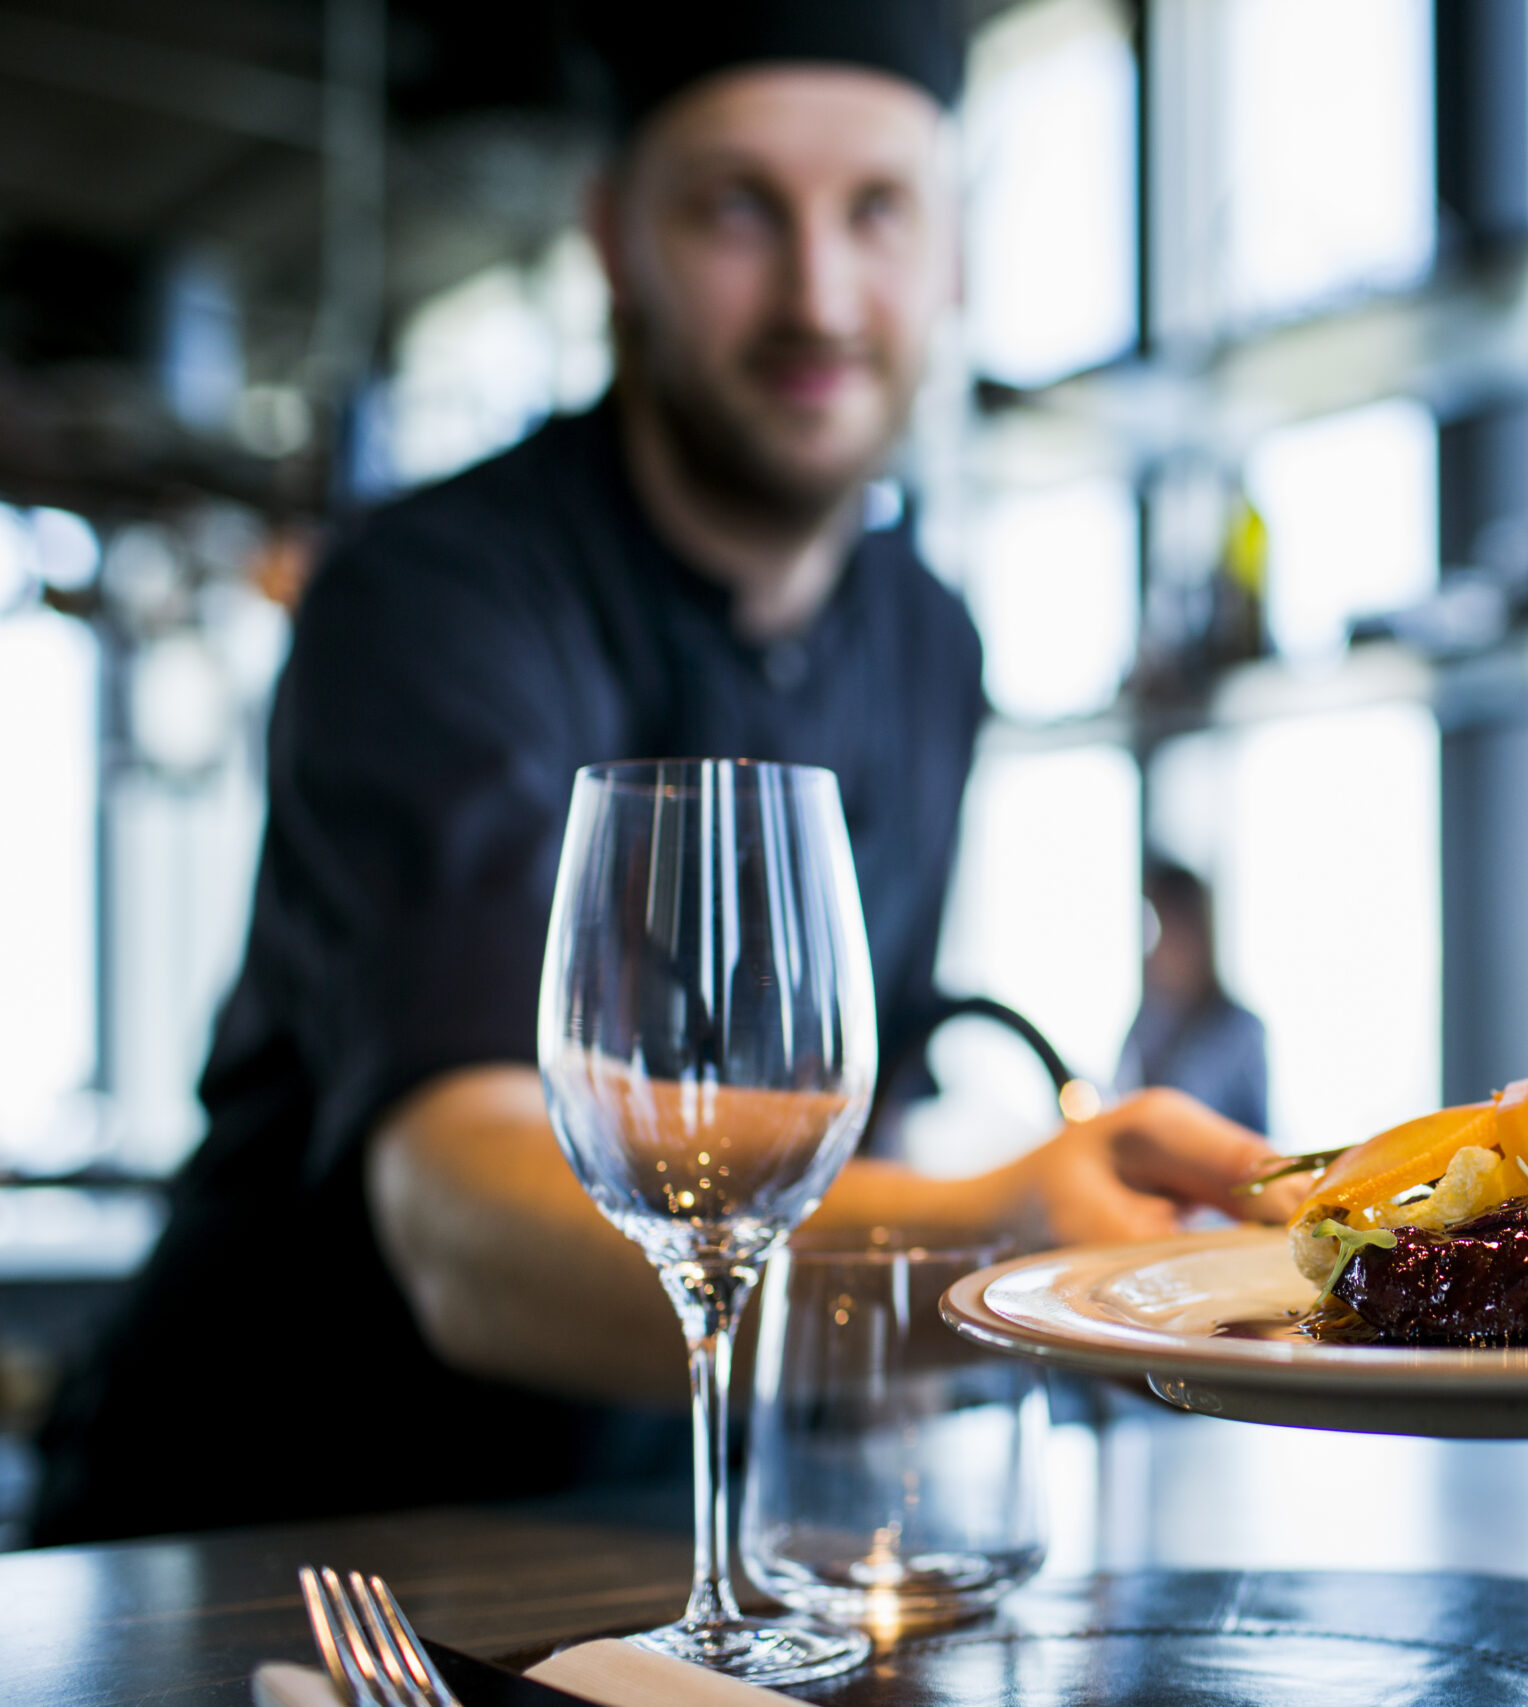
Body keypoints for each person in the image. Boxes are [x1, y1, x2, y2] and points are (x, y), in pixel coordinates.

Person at [32, 0, 1298, 1545]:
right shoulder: (434, 594)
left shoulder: (927, 643)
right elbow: (468, 1223)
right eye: (737, 209)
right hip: (274, 1535)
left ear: (954, 252)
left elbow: (826, 1133)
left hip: (670, 1533)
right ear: (614, 237)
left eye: (879, 210)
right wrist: (993, 1242)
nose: (819, 294)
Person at [1115, 860, 1269, 1133]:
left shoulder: (1240, 1030)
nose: (1152, 952)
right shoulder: (1148, 1022)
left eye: (1163, 931)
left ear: (1195, 934)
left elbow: (1256, 1141)